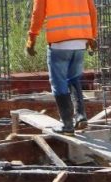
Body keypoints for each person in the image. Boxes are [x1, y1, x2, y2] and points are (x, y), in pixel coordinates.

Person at [26, 0, 97, 135]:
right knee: (74, 79)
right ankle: (80, 115)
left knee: (59, 83)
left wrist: (32, 38)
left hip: (59, 43)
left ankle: (67, 125)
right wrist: (92, 36)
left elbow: (38, 13)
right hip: (81, 41)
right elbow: (92, 11)